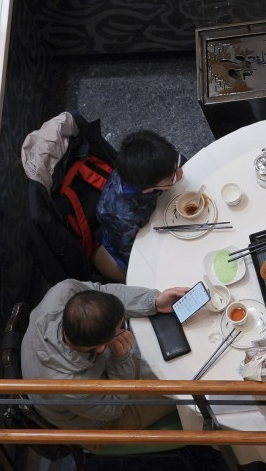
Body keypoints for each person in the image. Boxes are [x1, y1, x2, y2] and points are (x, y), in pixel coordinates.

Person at [20, 279, 191, 428]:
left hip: (82, 392)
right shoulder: (73, 387)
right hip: (97, 420)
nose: (124, 327)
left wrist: (153, 302)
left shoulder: (63, 292)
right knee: (185, 391)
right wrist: (121, 359)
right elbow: (114, 407)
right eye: (121, 327)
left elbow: (102, 292)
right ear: (101, 347)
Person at [93, 129, 183, 283]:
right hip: (130, 242)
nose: (180, 173)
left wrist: (170, 176)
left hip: (154, 212)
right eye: (172, 177)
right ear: (148, 189)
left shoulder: (140, 168)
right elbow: (135, 254)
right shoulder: (122, 215)